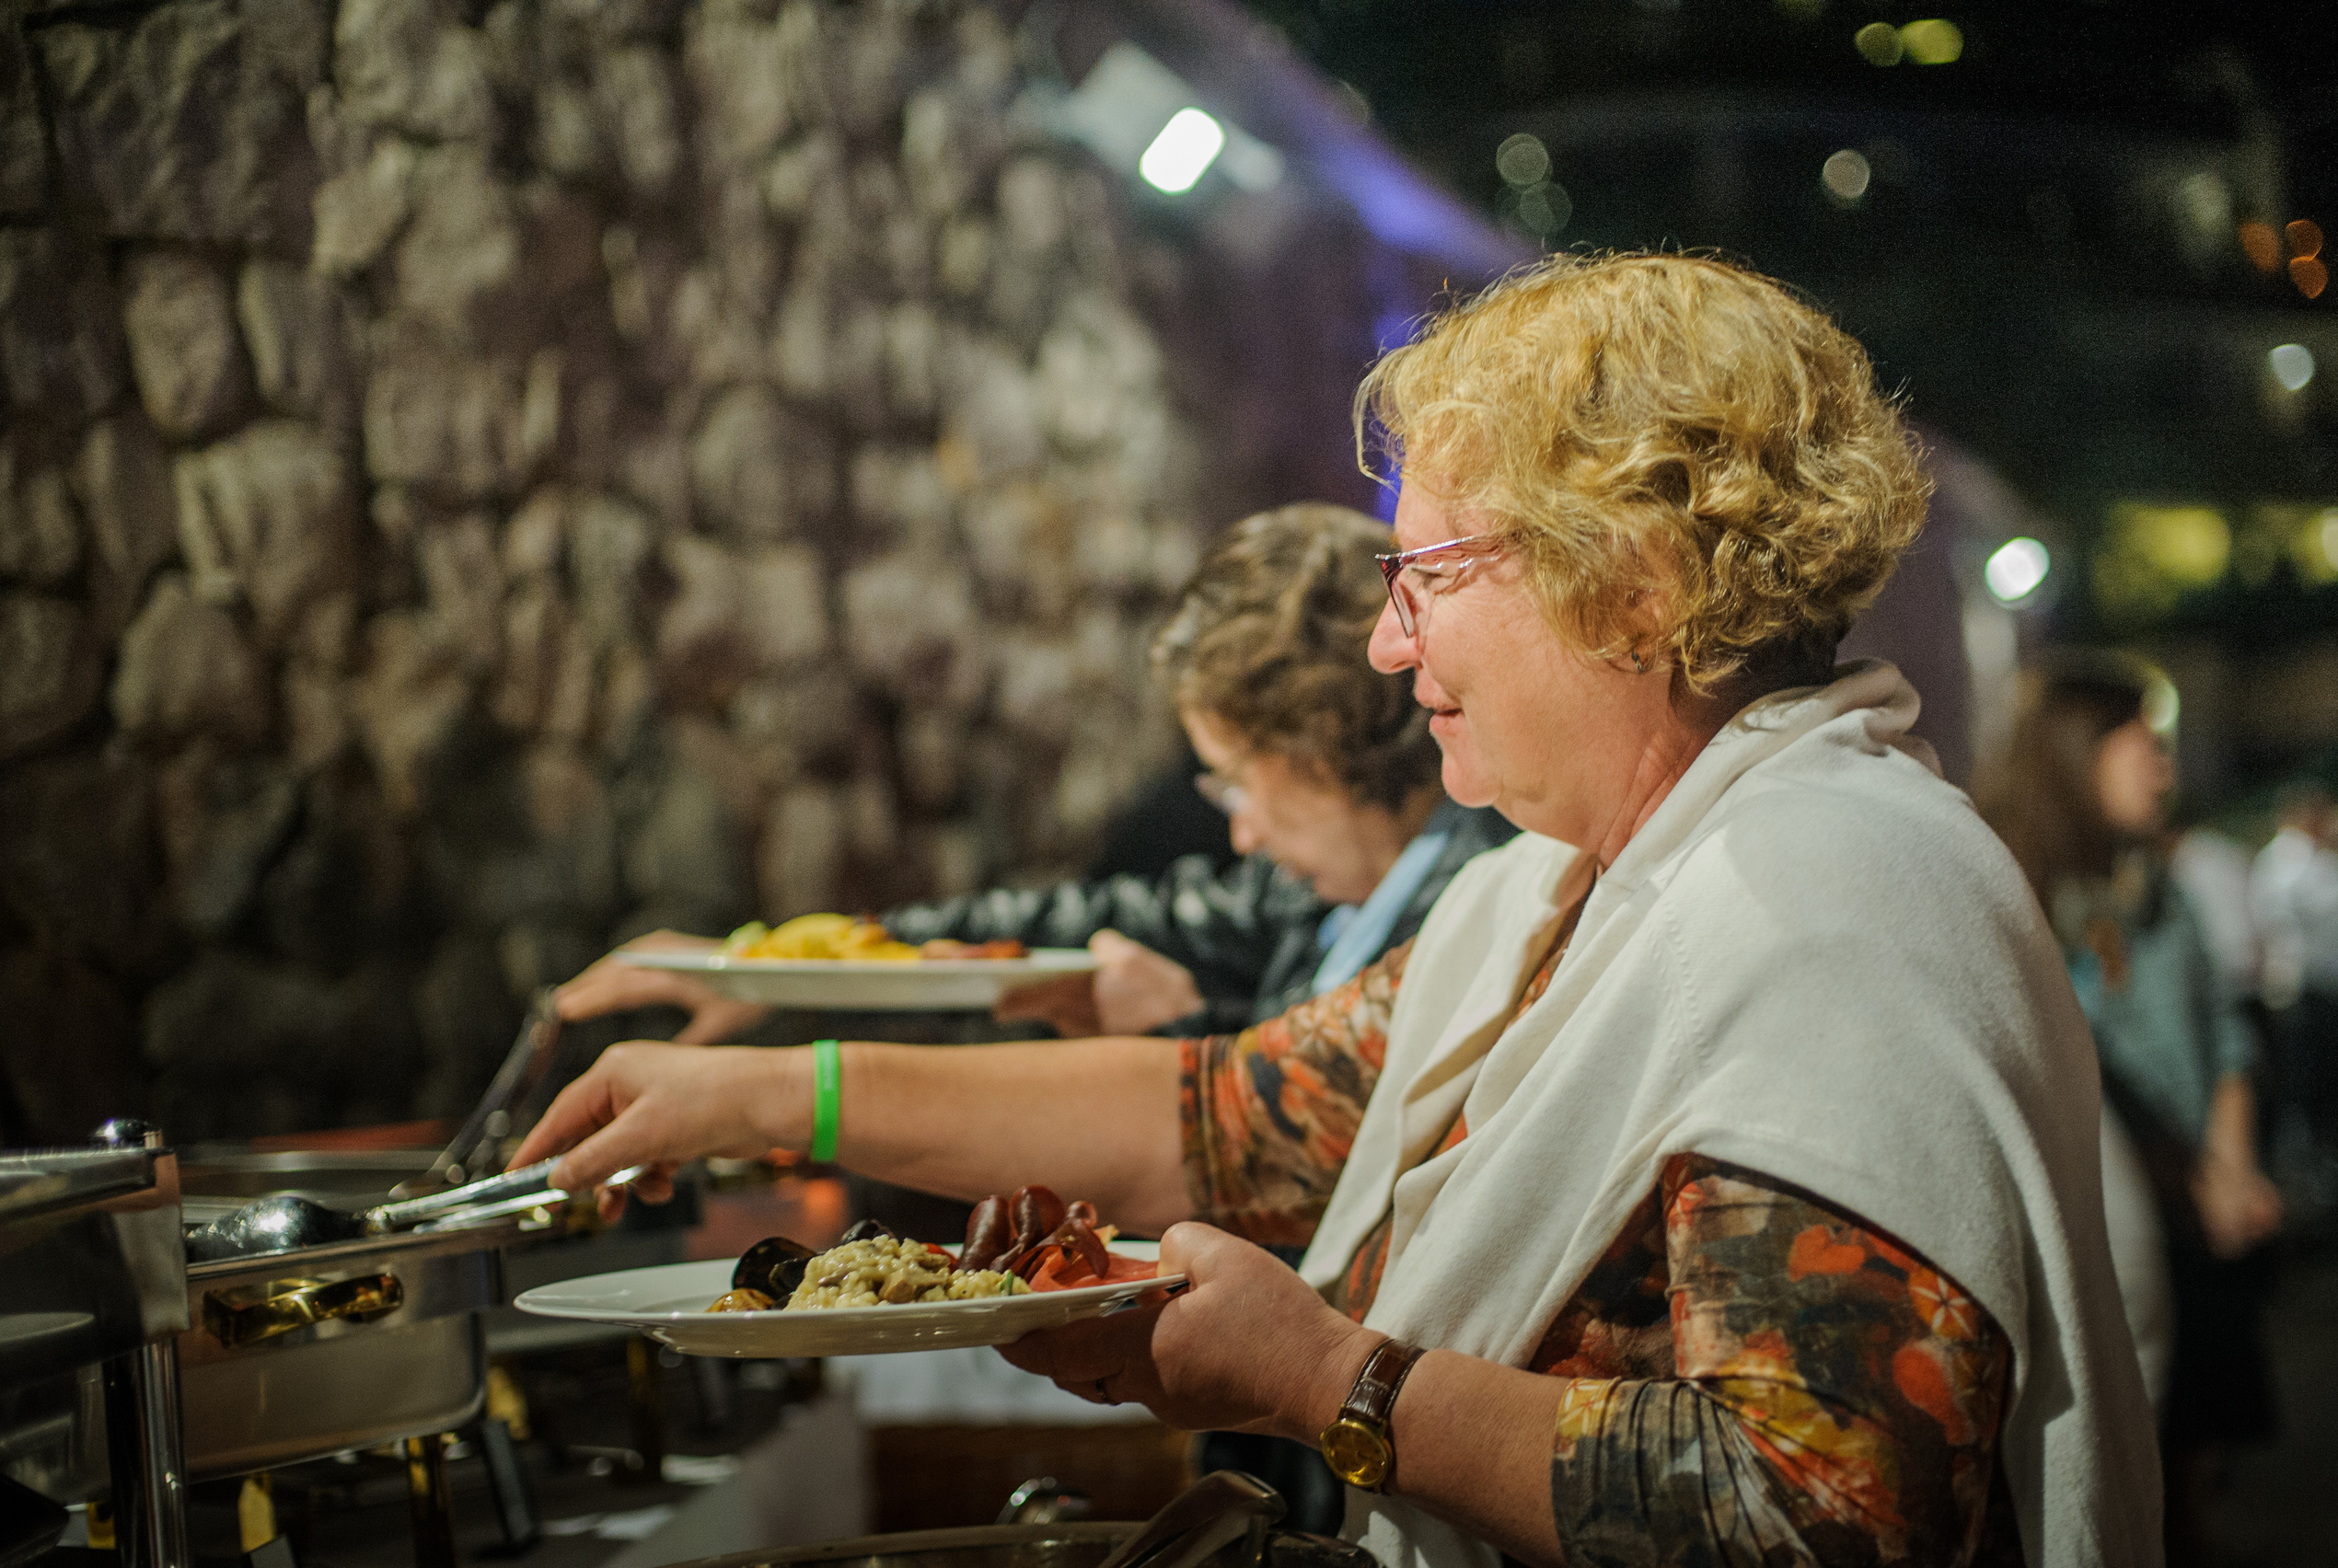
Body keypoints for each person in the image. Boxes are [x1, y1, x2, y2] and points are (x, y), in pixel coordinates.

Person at [515, 254, 2159, 1565]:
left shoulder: (1823, 908)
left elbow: (1814, 1514)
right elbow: (1230, 1117)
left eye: (1428, 574)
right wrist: (756, 1089)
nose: (1388, 643)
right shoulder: (1565, 890)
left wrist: (1326, 1381)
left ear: (1635, 584)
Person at [551, 504, 1514, 1047]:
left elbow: (1330, 1166)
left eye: (1233, 780)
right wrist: (784, 970)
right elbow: (1059, 925)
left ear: (1317, 742)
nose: (1240, 833)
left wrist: (1178, 1041)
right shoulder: (1323, 896)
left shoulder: (1482, 914)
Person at [1974, 654, 2278, 1565]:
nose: (2163, 766)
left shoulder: (2160, 887)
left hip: (2196, 1206)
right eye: (2143, 744)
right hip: (2106, 1214)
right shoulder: (2013, 890)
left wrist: (2231, 1163)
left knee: (2193, 1434)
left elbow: (2224, 1032)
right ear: (2077, 753)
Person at [2251, 781, 2338, 1232]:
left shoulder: (2316, 859)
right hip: (2314, 993)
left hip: (2334, 993)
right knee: (2312, 1091)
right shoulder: (2287, 860)